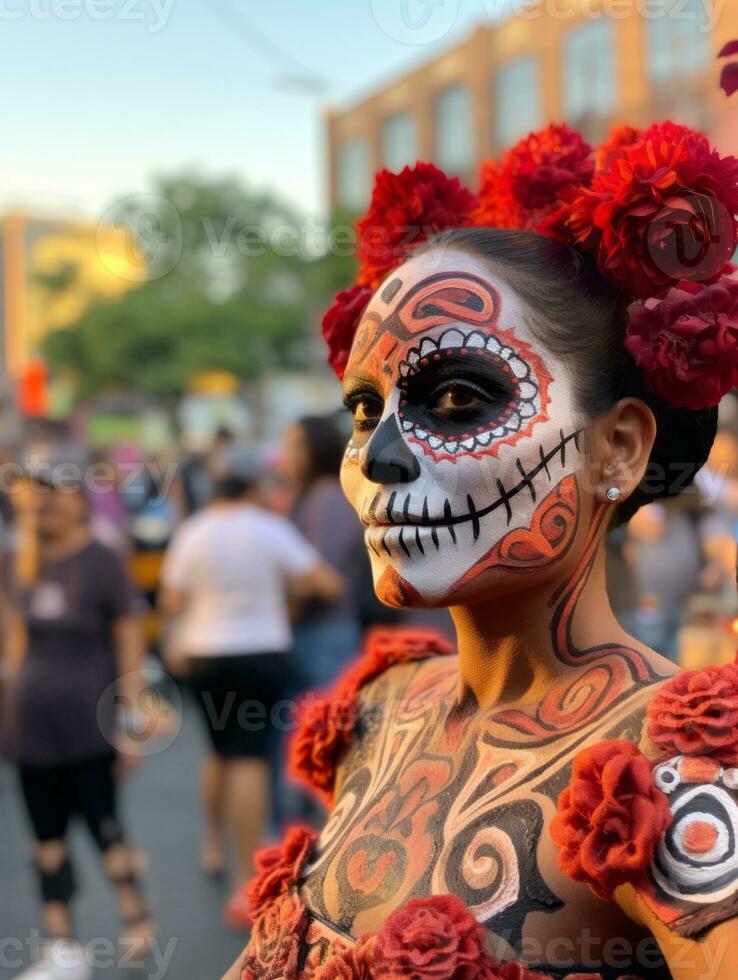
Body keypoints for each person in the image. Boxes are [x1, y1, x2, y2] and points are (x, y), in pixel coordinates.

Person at [226, 123, 738, 979]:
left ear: (614, 448)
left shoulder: (669, 780)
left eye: (459, 396)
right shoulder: (383, 710)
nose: (379, 456)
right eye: (364, 409)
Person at [158, 446, 342, 927]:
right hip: (260, 653)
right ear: (254, 489)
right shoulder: (270, 529)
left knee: (218, 750)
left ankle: (214, 844)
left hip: (203, 655)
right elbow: (326, 584)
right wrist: (286, 597)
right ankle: (245, 878)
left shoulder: (192, 532)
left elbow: (171, 598)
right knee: (250, 759)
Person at [2, 470, 153, 980]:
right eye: (36, 497)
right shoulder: (18, 561)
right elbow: (13, 644)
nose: (44, 505)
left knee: (106, 830)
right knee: (46, 841)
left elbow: (129, 642)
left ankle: (138, 922)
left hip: (90, 725)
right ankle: (62, 947)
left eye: (53, 494)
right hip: (30, 729)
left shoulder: (102, 560)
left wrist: (130, 718)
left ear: (78, 501)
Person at [281, 416, 365, 690]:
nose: (288, 455)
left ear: (317, 449)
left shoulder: (327, 497)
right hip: (314, 628)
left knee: (324, 717)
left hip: (325, 630)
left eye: (297, 446)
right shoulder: (308, 496)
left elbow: (325, 579)